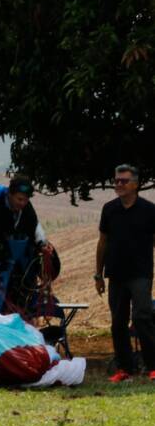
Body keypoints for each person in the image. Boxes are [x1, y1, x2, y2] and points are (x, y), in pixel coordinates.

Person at [94, 164, 155, 383]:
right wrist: (98, 274)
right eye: (116, 181)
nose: (118, 184)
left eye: (124, 181)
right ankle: (125, 369)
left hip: (140, 274)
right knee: (118, 322)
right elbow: (103, 242)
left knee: (142, 317)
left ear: (136, 184)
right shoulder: (109, 209)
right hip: (116, 274)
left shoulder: (149, 210)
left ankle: (152, 366)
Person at [0, 174, 53, 312]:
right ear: (10, 194)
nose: (22, 203)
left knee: (21, 294)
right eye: (19, 199)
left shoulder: (27, 209)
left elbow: (35, 226)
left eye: (26, 200)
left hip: (15, 260)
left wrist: (43, 244)